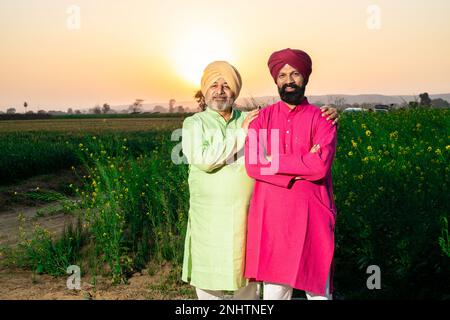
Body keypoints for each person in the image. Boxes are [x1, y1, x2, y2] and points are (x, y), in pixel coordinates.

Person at [181, 60, 339, 300]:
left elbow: (311, 163)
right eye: (214, 85)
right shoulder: (194, 124)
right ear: (204, 90)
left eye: (226, 85)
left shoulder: (251, 117)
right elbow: (206, 158)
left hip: (248, 216)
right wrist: (242, 135)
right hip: (209, 217)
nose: (220, 90)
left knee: (247, 279)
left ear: (235, 92)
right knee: (207, 278)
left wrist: (331, 113)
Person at [244, 48, 338, 300]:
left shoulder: (323, 119)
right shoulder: (261, 119)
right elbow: (253, 165)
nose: (289, 80)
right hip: (273, 219)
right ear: (275, 80)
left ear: (305, 77)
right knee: (275, 293)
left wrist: (274, 161)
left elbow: (320, 166)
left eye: (295, 73)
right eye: (283, 74)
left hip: (313, 216)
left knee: (318, 292)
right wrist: (301, 166)